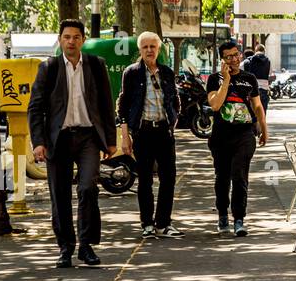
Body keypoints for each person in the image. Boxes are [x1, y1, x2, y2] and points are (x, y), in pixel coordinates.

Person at [28, 20, 118, 268]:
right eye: (66, 37)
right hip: (59, 139)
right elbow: (35, 108)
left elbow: (106, 105)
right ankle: (65, 247)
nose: (71, 41)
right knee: (60, 194)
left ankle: (86, 245)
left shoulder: (95, 65)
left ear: (83, 40)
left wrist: (110, 141)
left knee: (88, 188)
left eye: (76, 37)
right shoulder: (49, 68)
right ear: (60, 40)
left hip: (89, 137)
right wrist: (38, 142)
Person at [117, 32, 183, 238]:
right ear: (140, 50)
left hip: (164, 131)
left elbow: (175, 100)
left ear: (159, 49)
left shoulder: (166, 72)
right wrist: (125, 135)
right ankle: (146, 223)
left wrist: (173, 121)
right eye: (145, 47)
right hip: (142, 132)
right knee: (145, 179)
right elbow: (123, 105)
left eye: (152, 47)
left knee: (169, 178)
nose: (149, 50)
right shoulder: (132, 73)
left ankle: (163, 223)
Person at [206, 40, 269, 237]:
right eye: (229, 57)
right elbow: (215, 105)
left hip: (244, 135)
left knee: (239, 175)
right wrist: (225, 79)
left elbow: (257, 106)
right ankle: (223, 214)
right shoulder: (214, 79)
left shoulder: (249, 78)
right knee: (222, 178)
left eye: (236, 55)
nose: (234, 59)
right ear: (222, 60)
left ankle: (239, 219)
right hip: (221, 137)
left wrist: (264, 129)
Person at [242, 43, 272, 116]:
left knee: (251, 113)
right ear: (264, 51)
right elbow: (270, 73)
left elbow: (239, 69)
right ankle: (261, 126)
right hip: (264, 90)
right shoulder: (268, 61)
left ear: (255, 50)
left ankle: (253, 126)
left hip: (251, 90)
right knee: (262, 113)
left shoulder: (247, 61)